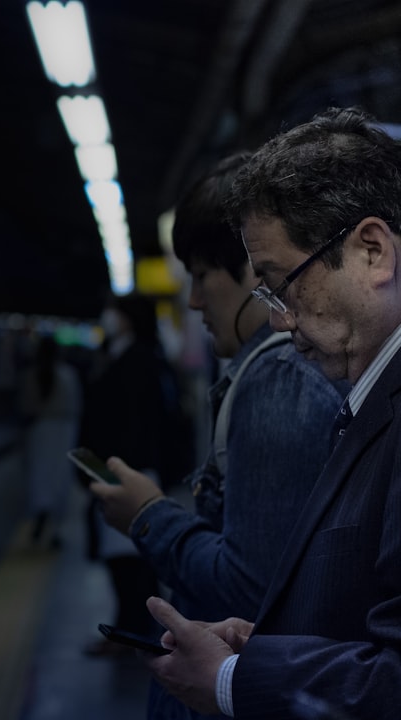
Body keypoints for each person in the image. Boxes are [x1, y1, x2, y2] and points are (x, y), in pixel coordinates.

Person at [138, 105, 401, 719]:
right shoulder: (370, 399)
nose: (280, 320)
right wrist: (268, 647)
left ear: (372, 251)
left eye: (284, 283)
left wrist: (236, 680)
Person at [87, 153, 346, 719]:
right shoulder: (280, 372)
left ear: (255, 270)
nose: (195, 301)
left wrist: (146, 515)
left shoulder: (279, 380)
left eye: (202, 276)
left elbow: (249, 589)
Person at [78, 292, 177, 656]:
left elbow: (134, 423)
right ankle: (132, 630)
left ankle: (133, 633)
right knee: (128, 556)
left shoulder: (136, 360)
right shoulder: (131, 356)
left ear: (127, 318)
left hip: (127, 470)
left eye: (112, 311)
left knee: (129, 557)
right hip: (119, 469)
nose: (106, 317)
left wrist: (118, 471)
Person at [19, 333, 82, 548]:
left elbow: (26, 407)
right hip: (64, 431)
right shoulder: (68, 376)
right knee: (59, 481)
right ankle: (55, 529)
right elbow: (77, 407)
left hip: (39, 430)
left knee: (39, 479)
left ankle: (39, 520)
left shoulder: (31, 375)